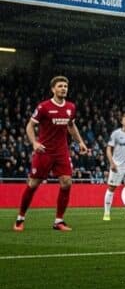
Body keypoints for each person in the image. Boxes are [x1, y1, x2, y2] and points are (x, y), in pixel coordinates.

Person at [13, 76, 90, 232]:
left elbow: (71, 126)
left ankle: (58, 221)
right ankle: (20, 218)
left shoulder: (71, 107)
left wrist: (80, 142)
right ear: (53, 89)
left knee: (67, 182)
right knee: (33, 184)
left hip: (62, 151)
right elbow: (30, 126)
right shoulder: (44, 107)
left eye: (65, 86)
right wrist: (34, 143)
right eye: (60, 86)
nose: (63, 89)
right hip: (44, 151)